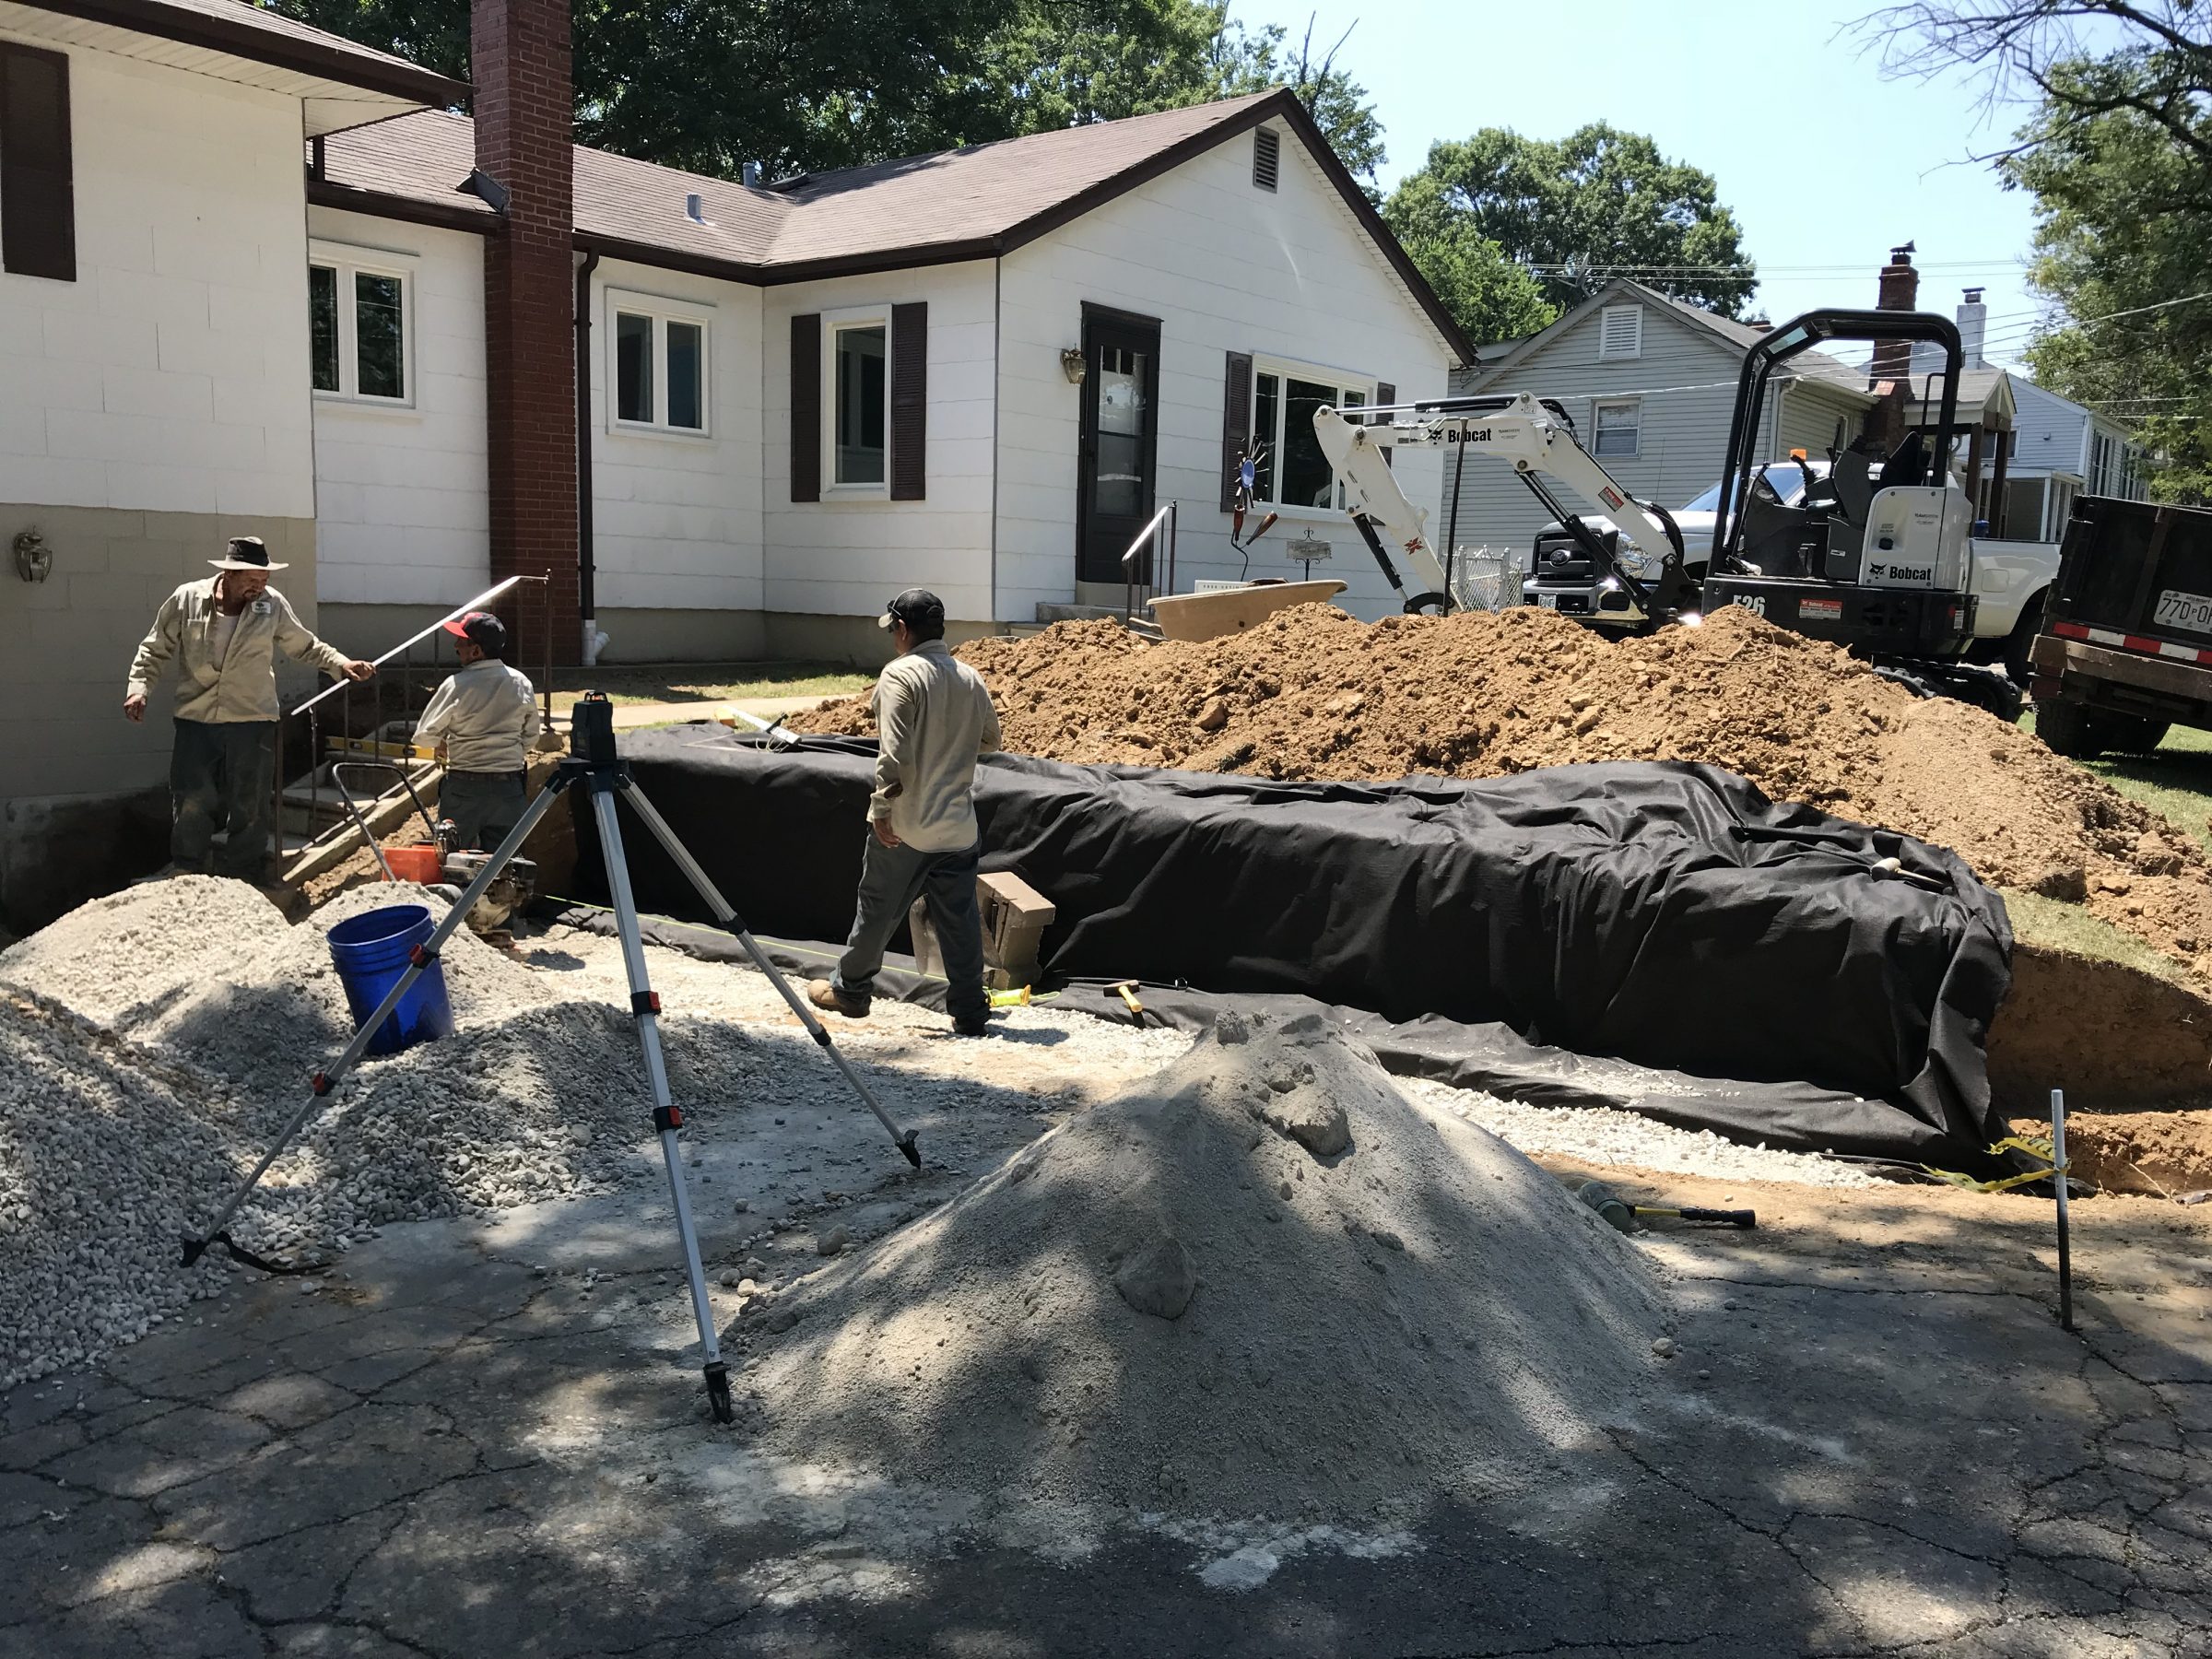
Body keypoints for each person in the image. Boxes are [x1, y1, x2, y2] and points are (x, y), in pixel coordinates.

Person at [809, 589, 1001, 1037]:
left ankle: (852, 992)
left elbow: (892, 754)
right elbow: (990, 740)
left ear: (901, 629)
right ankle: (971, 1009)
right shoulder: (969, 677)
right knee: (959, 918)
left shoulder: (900, 675)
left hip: (908, 821)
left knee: (878, 907)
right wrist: (949, 746)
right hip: (958, 825)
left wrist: (881, 808)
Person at [125, 535, 374, 881]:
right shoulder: (187, 599)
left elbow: (305, 645)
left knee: (251, 801)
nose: (261, 586)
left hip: (252, 719)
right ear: (229, 574)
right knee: (192, 797)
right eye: (253, 580)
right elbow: (155, 648)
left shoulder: (272, 605)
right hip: (196, 721)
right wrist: (139, 689)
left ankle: (244, 873)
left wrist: (341, 664)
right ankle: (187, 869)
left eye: (265, 579)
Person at [414, 610, 543, 851]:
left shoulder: (456, 685)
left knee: (453, 860)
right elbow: (531, 736)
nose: (456, 646)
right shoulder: (521, 682)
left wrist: (442, 741)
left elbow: (424, 735)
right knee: (507, 864)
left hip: (465, 788)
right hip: (509, 788)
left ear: (476, 651)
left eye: (461, 642)